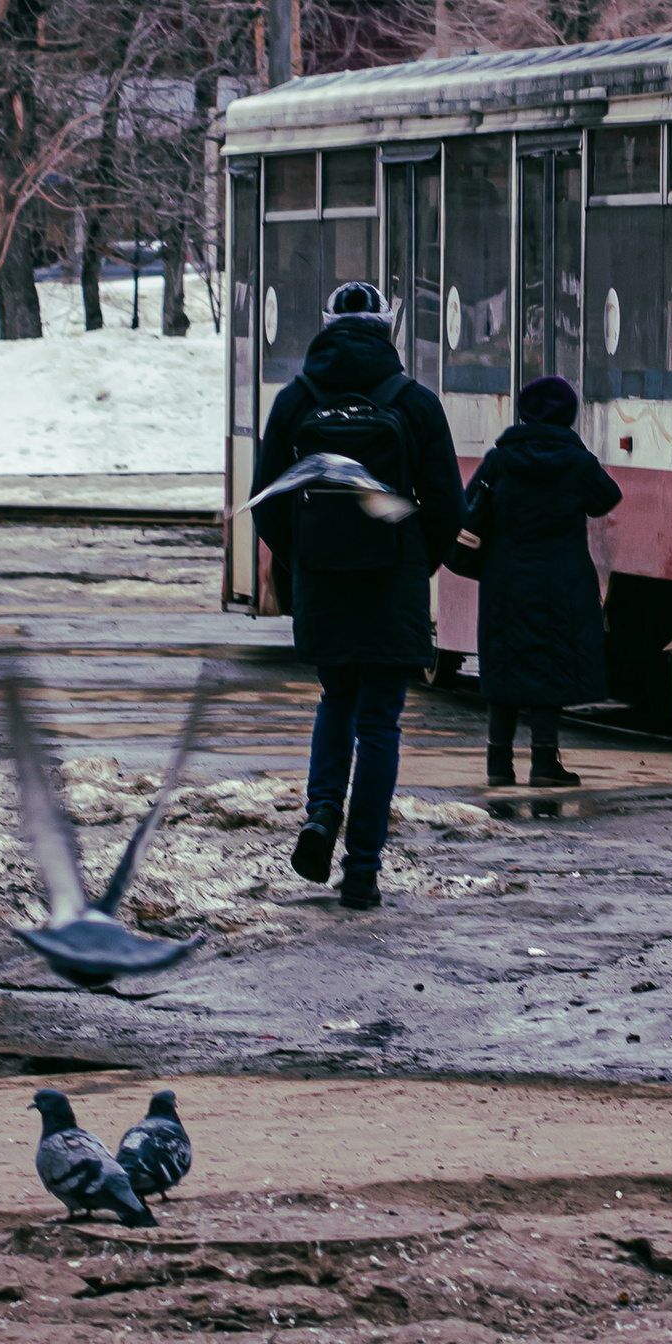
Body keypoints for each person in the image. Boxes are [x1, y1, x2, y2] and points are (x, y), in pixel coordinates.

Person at [253, 278, 464, 910]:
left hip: (323, 579)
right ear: (388, 328)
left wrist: (304, 562)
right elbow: (448, 504)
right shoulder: (415, 401)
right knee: (380, 723)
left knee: (336, 697)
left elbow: (269, 502)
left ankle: (321, 816)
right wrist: (414, 560)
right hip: (391, 578)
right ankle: (363, 869)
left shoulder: (296, 399)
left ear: (327, 326)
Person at [449, 373, 621, 807]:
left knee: (504, 663)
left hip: (505, 576)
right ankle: (545, 761)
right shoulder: (576, 462)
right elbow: (607, 498)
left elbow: (471, 510)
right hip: (560, 578)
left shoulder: (498, 461)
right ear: (568, 416)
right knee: (551, 663)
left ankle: (498, 764)